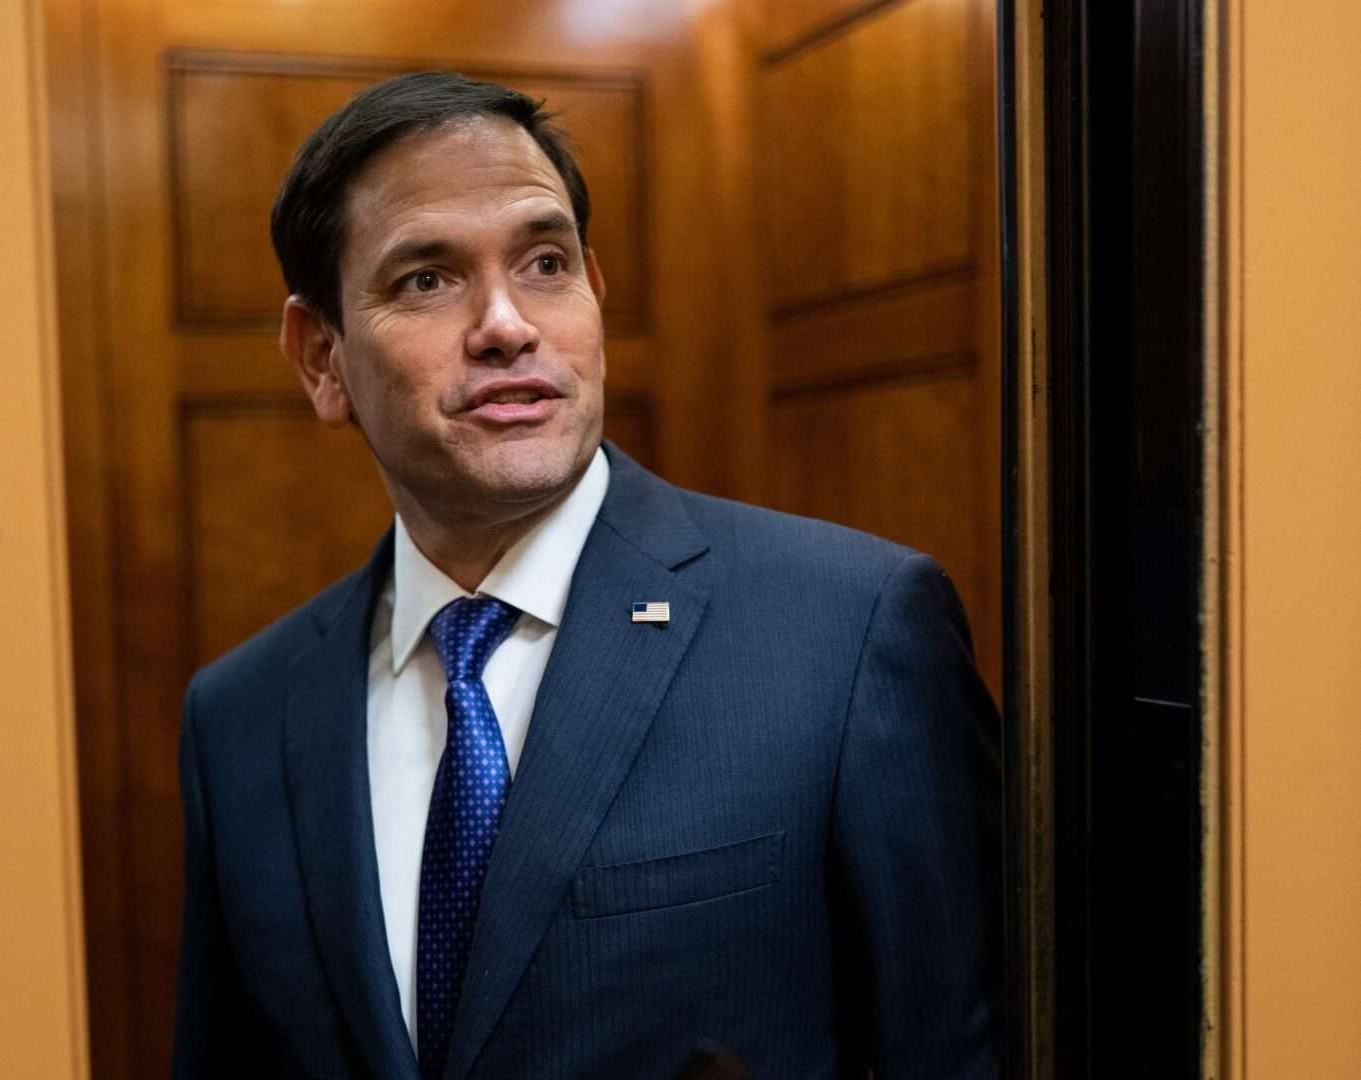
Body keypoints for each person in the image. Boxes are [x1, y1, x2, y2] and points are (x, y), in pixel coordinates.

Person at [172, 71, 1002, 1080]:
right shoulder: (242, 717)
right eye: (425, 280)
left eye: (545, 263)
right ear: (320, 358)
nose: (506, 325)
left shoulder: (850, 632)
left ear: (595, 295)